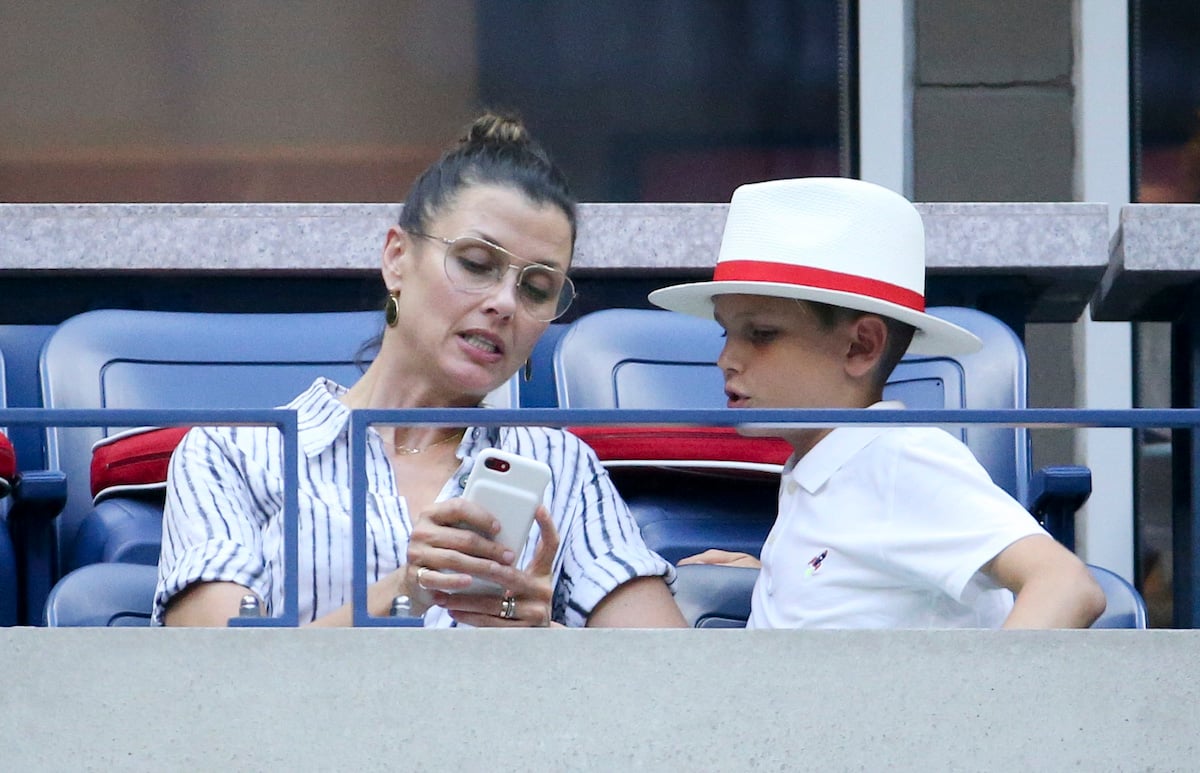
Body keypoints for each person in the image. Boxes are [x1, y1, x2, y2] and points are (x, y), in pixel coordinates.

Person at [155, 112, 687, 628]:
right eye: (477, 264)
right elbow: (214, 682)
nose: (504, 302)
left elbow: (674, 682)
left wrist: (542, 638)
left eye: (537, 289)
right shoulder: (234, 453)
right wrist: (404, 591)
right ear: (396, 258)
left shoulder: (561, 466)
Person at [649, 177, 1106, 629]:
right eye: (726, 332)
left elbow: (1065, 585)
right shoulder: (826, 465)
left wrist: (983, 703)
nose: (726, 359)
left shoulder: (901, 460)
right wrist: (780, 579)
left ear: (860, 347)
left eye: (762, 334)